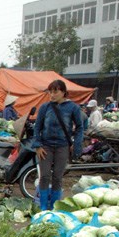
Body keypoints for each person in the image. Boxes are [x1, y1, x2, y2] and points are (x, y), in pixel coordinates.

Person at [33, 79, 84, 210]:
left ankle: (55, 207)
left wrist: (76, 144)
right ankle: (43, 207)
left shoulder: (73, 107)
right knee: (44, 176)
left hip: (62, 146)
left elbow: (80, 127)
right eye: (50, 92)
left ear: (63, 92)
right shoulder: (45, 107)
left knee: (57, 177)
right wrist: (38, 145)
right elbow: (37, 127)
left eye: (55, 91)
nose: (52, 95)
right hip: (46, 147)